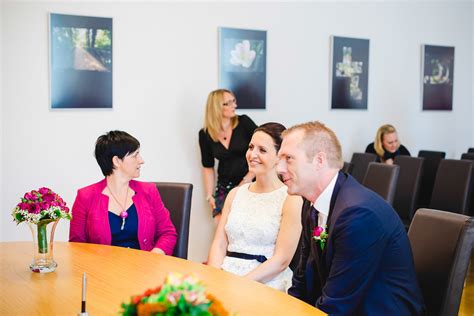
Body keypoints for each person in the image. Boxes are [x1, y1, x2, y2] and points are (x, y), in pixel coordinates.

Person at [278, 121, 424, 315]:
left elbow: (338, 304)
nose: (279, 168)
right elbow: (303, 278)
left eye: (288, 158)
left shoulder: (357, 214)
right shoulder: (311, 202)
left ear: (319, 161)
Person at [207, 122, 302, 292]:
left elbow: (282, 260)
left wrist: (241, 284)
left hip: (266, 281)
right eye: (251, 147)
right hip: (226, 275)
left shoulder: (291, 198)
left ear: (279, 157)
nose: (252, 154)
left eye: (262, 150)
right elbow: (219, 244)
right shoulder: (235, 194)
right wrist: (214, 278)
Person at [69, 131, 177, 255]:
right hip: (103, 270)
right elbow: (77, 245)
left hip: (145, 268)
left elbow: (167, 233)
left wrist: (153, 257)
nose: (141, 161)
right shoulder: (85, 196)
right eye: (135, 155)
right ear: (117, 161)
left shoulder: (149, 191)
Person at [199, 89, 257, 223]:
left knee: (247, 223)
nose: (234, 106)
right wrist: (209, 195)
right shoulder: (205, 134)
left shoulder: (244, 123)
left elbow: (262, 152)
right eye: (228, 103)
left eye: (234, 101)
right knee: (220, 222)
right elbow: (207, 167)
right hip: (225, 185)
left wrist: (246, 180)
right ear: (216, 107)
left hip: (250, 181)